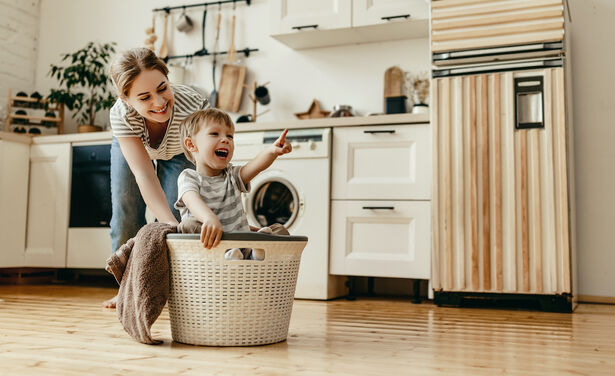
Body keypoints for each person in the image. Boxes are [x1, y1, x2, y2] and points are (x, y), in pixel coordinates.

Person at [103, 48, 208, 308]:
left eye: (163, 88)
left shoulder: (194, 105)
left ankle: (173, 291)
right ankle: (128, 289)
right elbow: (144, 175)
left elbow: (206, 163)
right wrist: (168, 225)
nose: (159, 102)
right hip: (136, 145)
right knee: (127, 210)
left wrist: (176, 225)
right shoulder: (121, 115)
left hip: (180, 151)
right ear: (126, 99)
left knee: (180, 214)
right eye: (145, 97)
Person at [174, 108, 292, 259]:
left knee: (279, 230)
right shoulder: (188, 177)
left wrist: (272, 151)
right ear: (191, 144)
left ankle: (256, 253)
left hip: (243, 244)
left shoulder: (232, 175)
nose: (225, 140)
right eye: (214, 134)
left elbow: (255, 166)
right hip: (211, 248)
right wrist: (209, 219)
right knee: (187, 226)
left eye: (230, 136)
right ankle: (233, 255)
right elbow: (192, 201)